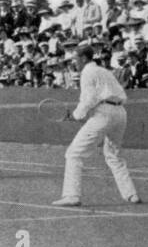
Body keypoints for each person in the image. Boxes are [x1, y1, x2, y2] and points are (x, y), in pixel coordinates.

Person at [53, 44, 141, 207]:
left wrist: (76, 115)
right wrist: (79, 114)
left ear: (84, 58)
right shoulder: (104, 71)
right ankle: (131, 194)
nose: (74, 63)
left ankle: (72, 195)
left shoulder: (87, 72)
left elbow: (89, 99)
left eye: (75, 59)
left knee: (73, 154)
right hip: (120, 113)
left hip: (104, 113)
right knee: (114, 155)